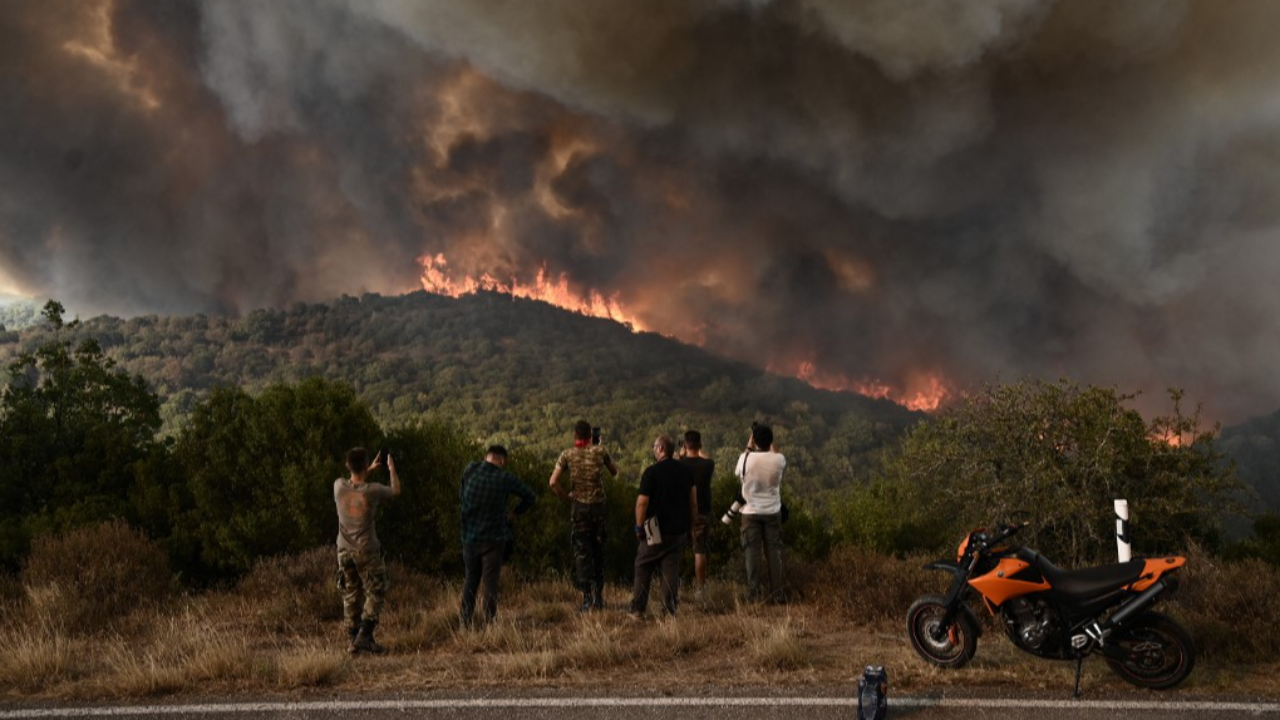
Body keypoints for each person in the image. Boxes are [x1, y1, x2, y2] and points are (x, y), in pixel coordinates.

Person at [460, 445, 536, 628]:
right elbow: (530, 496)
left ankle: (465, 623)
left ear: (486, 457)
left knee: (471, 579)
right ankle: (489, 623)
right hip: (493, 538)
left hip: (469, 536)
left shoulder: (470, 469)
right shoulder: (504, 478)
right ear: (502, 460)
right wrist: (515, 513)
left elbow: (462, 493)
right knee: (490, 582)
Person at [334, 447, 401, 654]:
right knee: (377, 589)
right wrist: (391, 468)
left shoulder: (338, 486)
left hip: (343, 549)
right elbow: (395, 490)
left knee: (351, 593)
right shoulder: (372, 491)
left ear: (347, 465)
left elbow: (354, 482)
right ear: (364, 465)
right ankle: (365, 634)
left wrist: (368, 468)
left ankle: (353, 640)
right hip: (366, 550)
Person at [549, 420, 619, 611]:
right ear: (591, 436)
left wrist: (567, 497)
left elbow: (553, 482)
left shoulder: (567, 454)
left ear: (575, 436)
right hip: (598, 508)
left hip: (579, 508)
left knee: (582, 553)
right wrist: (599, 448)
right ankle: (599, 599)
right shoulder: (600, 451)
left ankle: (586, 599)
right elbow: (614, 472)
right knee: (598, 552)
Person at [628, 434, 696, 620]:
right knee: (670, 570)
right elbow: (693, 504)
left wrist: (638, 527)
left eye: (654, 446)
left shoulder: (651, 472)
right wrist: (691, 528)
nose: (653, 449)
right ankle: (669, 612)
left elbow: (642, 503)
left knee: (643, 565)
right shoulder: (685, 472)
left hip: (655, 529)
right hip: (678, 530)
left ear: (660, 449)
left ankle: (638, 610)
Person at [735, 423, 786, 603]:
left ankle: (754, 595)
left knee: (752, 554)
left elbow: (739, 473)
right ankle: (777, 595)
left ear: (754, 441)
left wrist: (749, 445)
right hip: (772, 511)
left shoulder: (745, 459)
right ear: (771, 441)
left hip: (750, 512)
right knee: (774, 553)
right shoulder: (779, 459)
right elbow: (775, 453)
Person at [678, 430, 715, 594]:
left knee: (676, 550)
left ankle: (675, 585)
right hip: (702, 511)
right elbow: (707, 458)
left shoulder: (680, 464)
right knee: (699, 550)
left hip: (682, 512)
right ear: (699, 445)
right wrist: (698, 450)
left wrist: (681, 455)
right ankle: (700, 589)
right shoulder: (707, 465)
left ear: (685, 445)